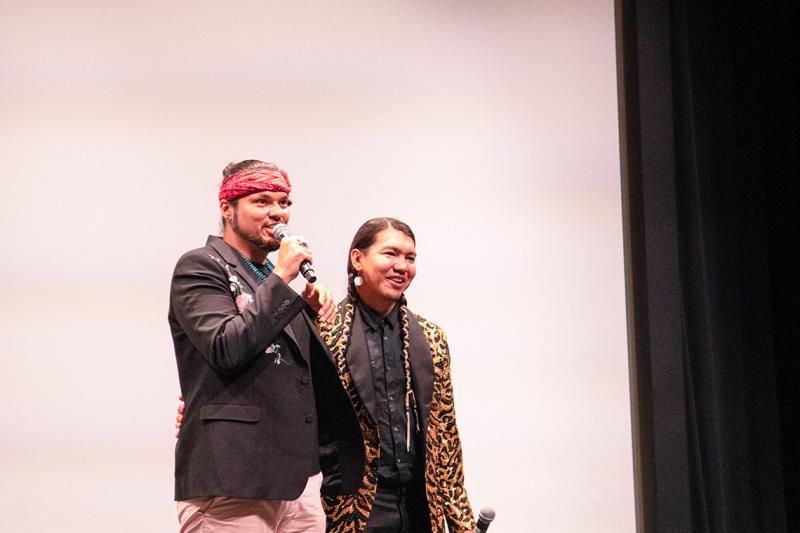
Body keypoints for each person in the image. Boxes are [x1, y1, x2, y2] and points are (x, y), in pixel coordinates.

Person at [169, 160, 362, 532]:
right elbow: (226, 348)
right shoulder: (200, 267)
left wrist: (308, 313)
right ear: (227, 208)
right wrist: (282, 277)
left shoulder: (273, 285)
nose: (277, 212)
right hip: (233, 479)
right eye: (261, 201)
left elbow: (290, 377)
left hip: (296, 482)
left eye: (284, 201)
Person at [318, 217, 476, 533]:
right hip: (354, 508)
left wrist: (462, 524)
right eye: (390, 254)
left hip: (419, 503)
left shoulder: (431, 337)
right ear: (358, 259)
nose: (402, 266)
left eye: (410, 257)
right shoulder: (325, 333)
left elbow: (445, 435)